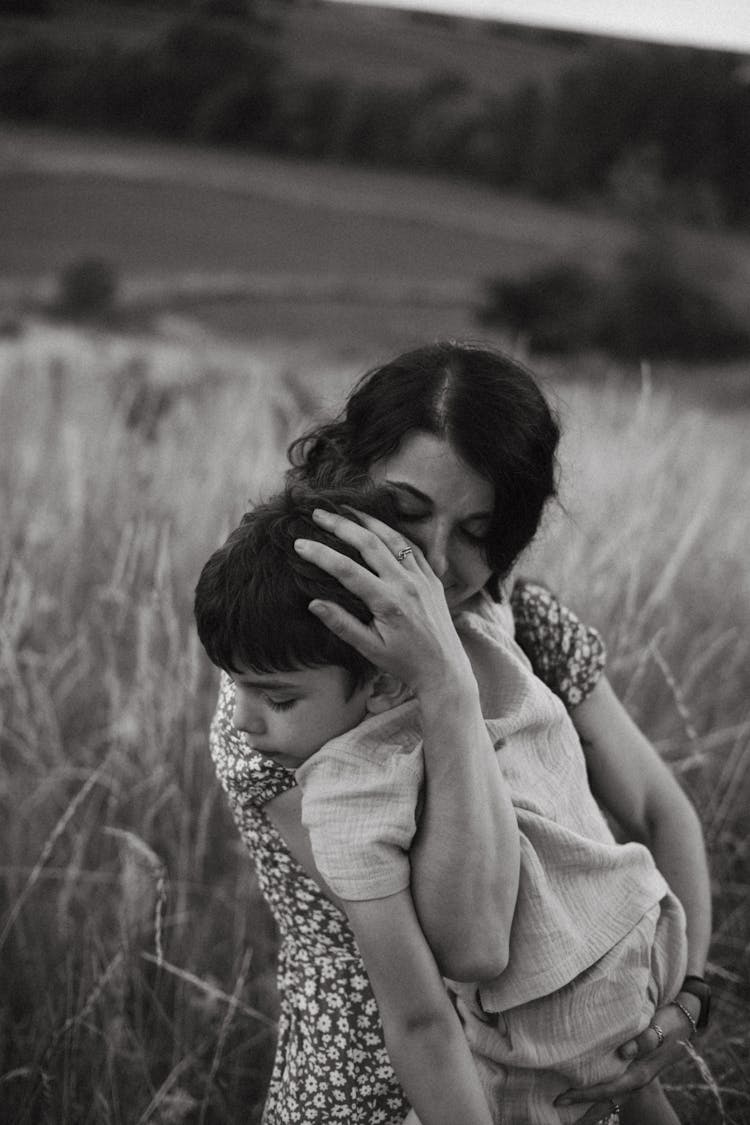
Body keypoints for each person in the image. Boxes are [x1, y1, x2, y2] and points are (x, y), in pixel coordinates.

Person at [205, 341, 712, 1124]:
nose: (437, 561)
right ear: (344, 476)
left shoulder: (525, 627)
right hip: (375, 1087)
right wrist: (444, 682)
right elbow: (473, 941)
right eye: (405, 512)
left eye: (476, 530)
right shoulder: (283, 705)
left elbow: (658, 812)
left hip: (571, 1075)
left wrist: (681, 999)